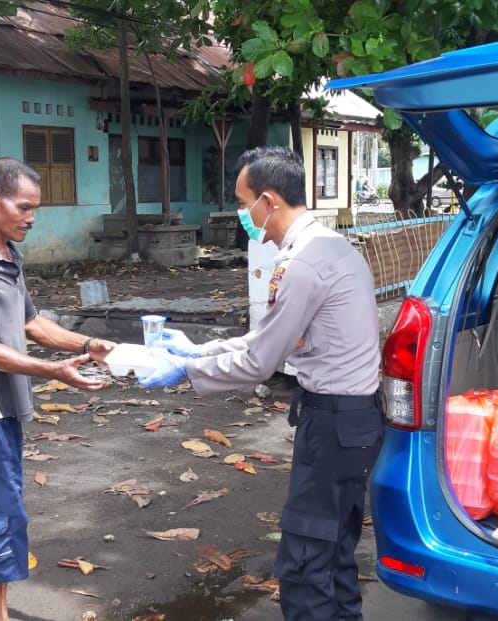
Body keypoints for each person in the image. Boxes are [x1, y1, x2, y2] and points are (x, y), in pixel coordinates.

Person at [139, 146, 383, 621]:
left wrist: (185, 371)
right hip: (353, 421)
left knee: (303, 568)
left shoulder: (304, 264)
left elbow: (260, 361)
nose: (241, 214)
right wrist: (199, 349)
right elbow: (273, 337)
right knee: (332, 558)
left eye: (243, 200)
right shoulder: (330, 248)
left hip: (333, 425)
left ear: (268, 201)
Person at [0, 157, 116, 621]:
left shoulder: (8, 256)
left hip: (6, 412)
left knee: (6, 524)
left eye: (34, 208)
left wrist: (87, 343)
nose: (32, 217)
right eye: (23, 207)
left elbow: (31, 322)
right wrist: (54, 372)